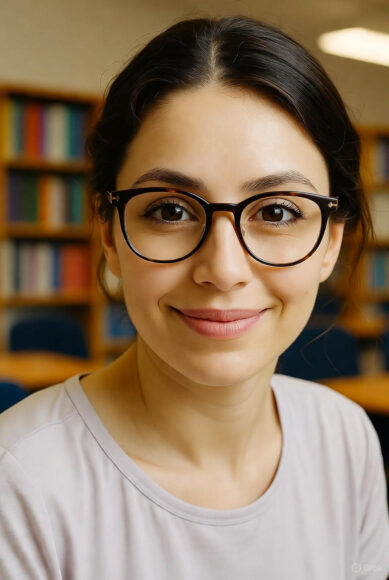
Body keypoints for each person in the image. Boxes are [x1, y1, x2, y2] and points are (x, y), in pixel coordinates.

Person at [0, 15, 388, 580]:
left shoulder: (346, 440)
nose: (223, 269)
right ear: (109, 234)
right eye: (170, 211)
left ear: (330, 242)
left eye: (277, 212)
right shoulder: (19, 486)